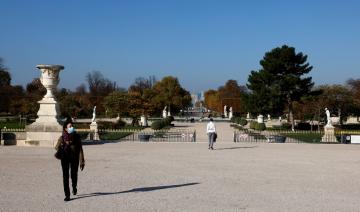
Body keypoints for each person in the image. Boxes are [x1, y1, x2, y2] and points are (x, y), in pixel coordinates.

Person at [55, 119, 85, 201]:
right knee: (65, 176)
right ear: (65, 128)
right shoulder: (62, 137)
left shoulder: (77, 136)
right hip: (64, 158)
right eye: (70, 126)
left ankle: (74, 187)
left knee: (74, 175)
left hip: (74, 158)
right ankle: (67, 195)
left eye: (72, 126)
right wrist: (61, 143)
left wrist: (82, 161)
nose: (72, 127)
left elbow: (80, 150)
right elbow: (55, 147)